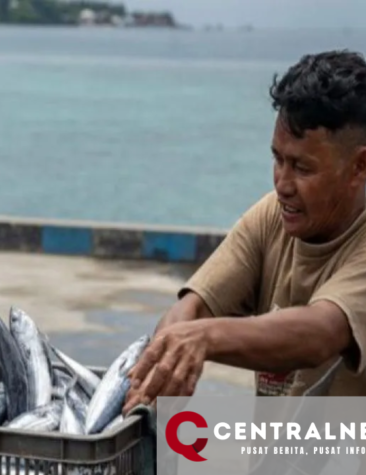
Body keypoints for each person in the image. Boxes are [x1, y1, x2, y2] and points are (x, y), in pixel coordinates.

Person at [123, 49, 366, 414]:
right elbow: (190, 310)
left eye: (302, 167)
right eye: (278, 159)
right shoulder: (272, 217)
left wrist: (203, 339)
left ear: (359, 167)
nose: (283, 184)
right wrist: (171, 353)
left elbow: (321, 333)